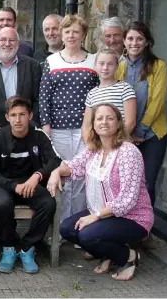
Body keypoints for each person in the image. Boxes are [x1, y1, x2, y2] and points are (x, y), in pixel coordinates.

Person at [49, 103, 153, 281]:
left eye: (110, 118)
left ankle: (128, 257)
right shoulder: (94, 149)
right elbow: (73, 166)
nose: (104, 122)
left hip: (132, 217)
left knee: (88, 235)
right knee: (67, 229)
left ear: (118, 123)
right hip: (104, 212)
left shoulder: (129, 152)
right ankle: (109, 252)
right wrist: (56, 172)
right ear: (94, 125)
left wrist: (95, 216)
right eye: (99, 118)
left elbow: (127, 200)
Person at [0, 97, 60, 274]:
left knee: (48, 203)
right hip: (4, 185)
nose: (17, 119)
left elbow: (55, 159)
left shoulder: (39, 135)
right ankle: (8, 247)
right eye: (13, 115)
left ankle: (28, 247)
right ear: (7, 117)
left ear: (30, 115)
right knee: (2, 204)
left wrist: (37, 175)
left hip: (30, 183)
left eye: (22, 114)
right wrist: (13, 186)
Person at [39, 15, 98, 222]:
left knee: (83, 175)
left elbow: (99, 93)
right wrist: (46, 126)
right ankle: (60, 227)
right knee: (61, 173)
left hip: (86, 128)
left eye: (75, 31)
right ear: (62, 35)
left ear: (83, 35)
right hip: (58, 129)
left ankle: (79, 224)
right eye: (67, 31)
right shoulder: (51, 61)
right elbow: (44, 96)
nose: (71, 35)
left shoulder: (94, 60)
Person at [116, 21, 167, 206]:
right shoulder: (119, 67)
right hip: (125, 134)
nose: (134, 43)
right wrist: (126, 132)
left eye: (140, 39)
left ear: (147, 42)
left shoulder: (159, 66)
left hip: (152, 134)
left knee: (147, 183)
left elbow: (157, 103)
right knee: (127, 183)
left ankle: (146, 228)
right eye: (130, 38)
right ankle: (129, 224)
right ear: (124, 41)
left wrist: (140, 131)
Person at [81, 48, 137, 142]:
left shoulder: (125, 89)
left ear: (117, 66)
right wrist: (90, 143)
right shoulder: (92, 94)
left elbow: (130, 122)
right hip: (98, 145)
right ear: (95, 65)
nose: (105, 68)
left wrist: (114, 142)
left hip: (119, 143)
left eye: (110, 64)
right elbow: (86, 125)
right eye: (101, 63)